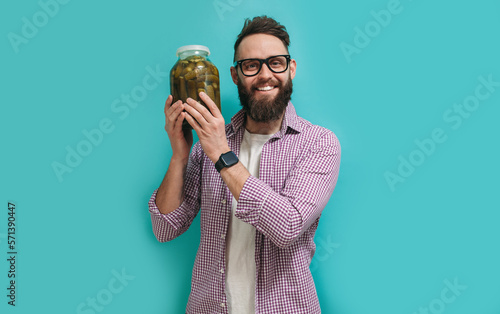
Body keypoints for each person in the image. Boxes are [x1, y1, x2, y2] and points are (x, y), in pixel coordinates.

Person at [148, 16, 341, 314]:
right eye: (251, 65)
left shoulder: (318, 144)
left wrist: (222, 155)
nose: (265, 74)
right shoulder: (207, 147)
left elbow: (288, 226)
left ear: (291, 69)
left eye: (275, 62)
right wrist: (180, 154)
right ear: (235, 75)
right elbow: (165, 228)